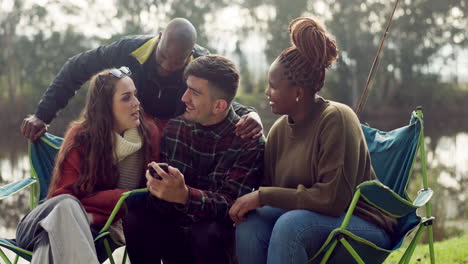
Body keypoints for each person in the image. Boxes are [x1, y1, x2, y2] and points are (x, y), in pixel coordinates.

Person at [229, 17, 397, 263]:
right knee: (250, 224)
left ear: (297, 92)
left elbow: (332, 200)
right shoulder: (277, 131)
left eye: (273, 86)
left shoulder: (337, 118)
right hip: (306, 221)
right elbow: (274, 193)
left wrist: (262, 196)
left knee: (290, 226)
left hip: (362, 225)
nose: (267, 93)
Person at [21, 17, 263, 142]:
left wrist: (251, 114)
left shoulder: (201, 62)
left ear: (190, 55)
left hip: (178, 140)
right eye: (162, 59)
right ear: (159, 39)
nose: (167, 68)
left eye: (176, 63)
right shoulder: (129, 48)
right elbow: (78, 67)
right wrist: (42, 115)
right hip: (131, 131)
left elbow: (222, 101)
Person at [123, 55, 265, 264]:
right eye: (186, 88)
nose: (184, 98)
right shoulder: (175, 128)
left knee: (207, 232)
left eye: (195, 92)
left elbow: (232, 206)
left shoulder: (249, 142)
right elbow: (165, 203)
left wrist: (186, 195)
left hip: (213, 240)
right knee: (136, 214)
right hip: (174, 229)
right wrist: (159, 187)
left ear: (218, 106)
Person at [16, 67, 161, 263]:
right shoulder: (82, 137)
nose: (136, 103)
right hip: (40, 223)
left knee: (48, 244)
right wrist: (119, 198)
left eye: (135, 95)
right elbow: (62, 197)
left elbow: (144, 199)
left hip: (80, 232)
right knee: (67, 206)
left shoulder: (148, 136)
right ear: (106, 106)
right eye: (126, 98)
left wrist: (96, 204)